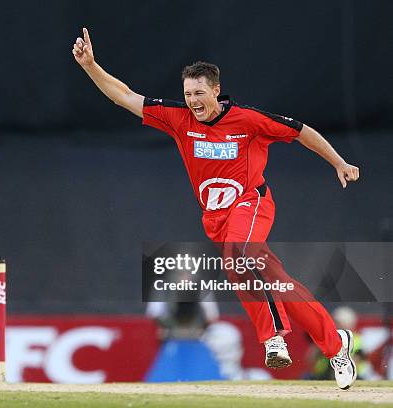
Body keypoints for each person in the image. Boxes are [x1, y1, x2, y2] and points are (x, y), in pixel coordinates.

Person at [72, 28, 360, 389]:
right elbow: (124, 96)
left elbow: (302, 131)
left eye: (199, 93)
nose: (193, 100)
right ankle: (336, 344)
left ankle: (274, 338)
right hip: (215, 217)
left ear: (215, 90)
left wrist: (338, 161)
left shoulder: (248, 120)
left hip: (252, 203)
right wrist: (91, 67)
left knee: (238, 256)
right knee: (279, 284)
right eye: (188, 94)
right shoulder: (178, 118)